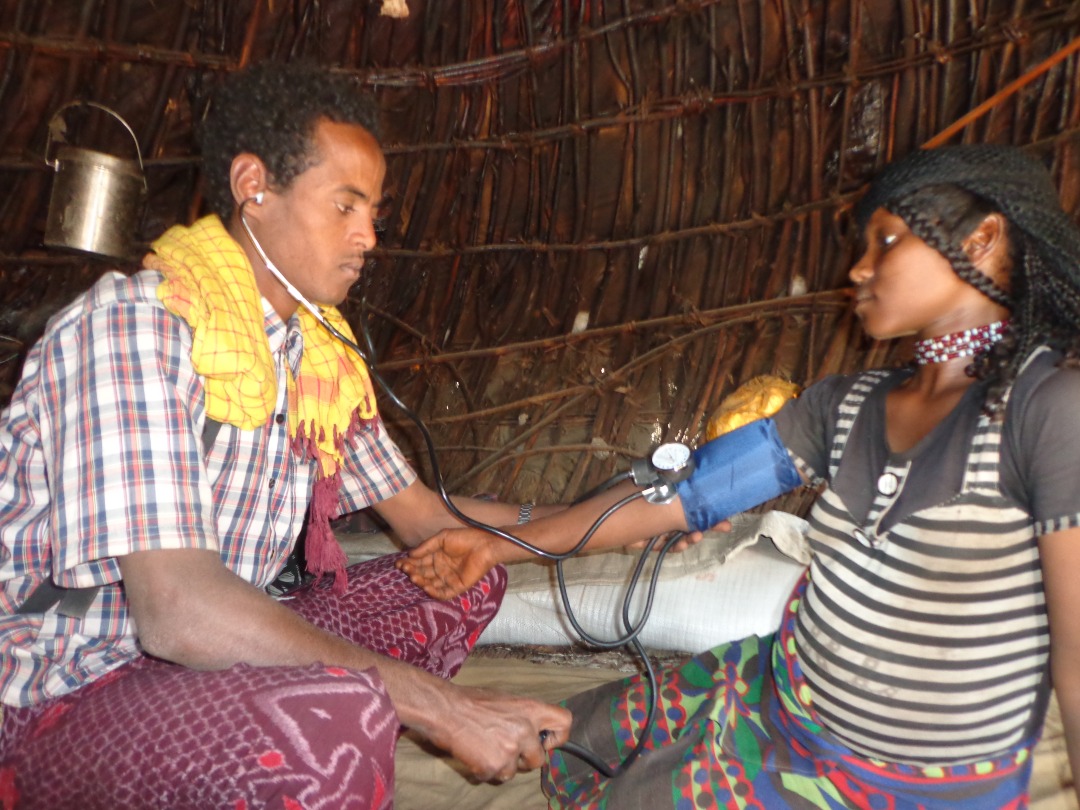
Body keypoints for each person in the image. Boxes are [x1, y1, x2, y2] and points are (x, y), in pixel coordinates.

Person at [400, 143, 1080, 808]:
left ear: (984, 238)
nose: (858, 270)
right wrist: (498, 545)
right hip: (780, 694)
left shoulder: (1050, 410)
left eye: (887, 241)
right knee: (577, 732)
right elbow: (684, 495)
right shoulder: (844, 405)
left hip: (905, 784)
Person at [0, 61, 572, 809]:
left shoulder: (316, 355)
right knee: (334, 725)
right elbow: (178, 611)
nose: (368, 236)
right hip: (62, 689)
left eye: (374, 212)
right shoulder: (135, 328)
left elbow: (432, 523)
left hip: (201, 658)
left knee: (458, 579)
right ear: (254, 186)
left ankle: (297, 736)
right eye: (345, 206)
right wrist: (439, 705)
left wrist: (617, 518)